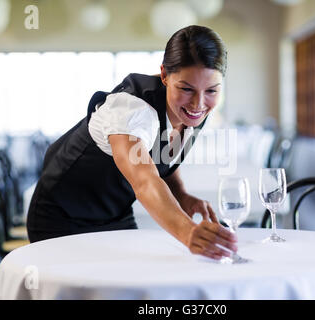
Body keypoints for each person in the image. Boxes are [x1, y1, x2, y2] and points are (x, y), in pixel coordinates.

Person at [26, 25, 237, 260]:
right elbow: (145, 180)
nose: (198, 103)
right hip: (61, 216)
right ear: (165, 75)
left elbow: (160, 159)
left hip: (116, 214)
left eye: (211, 90)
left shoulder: (191, 110)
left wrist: (182, 195)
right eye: (186, 89)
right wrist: (188, 233)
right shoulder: (131, 111)